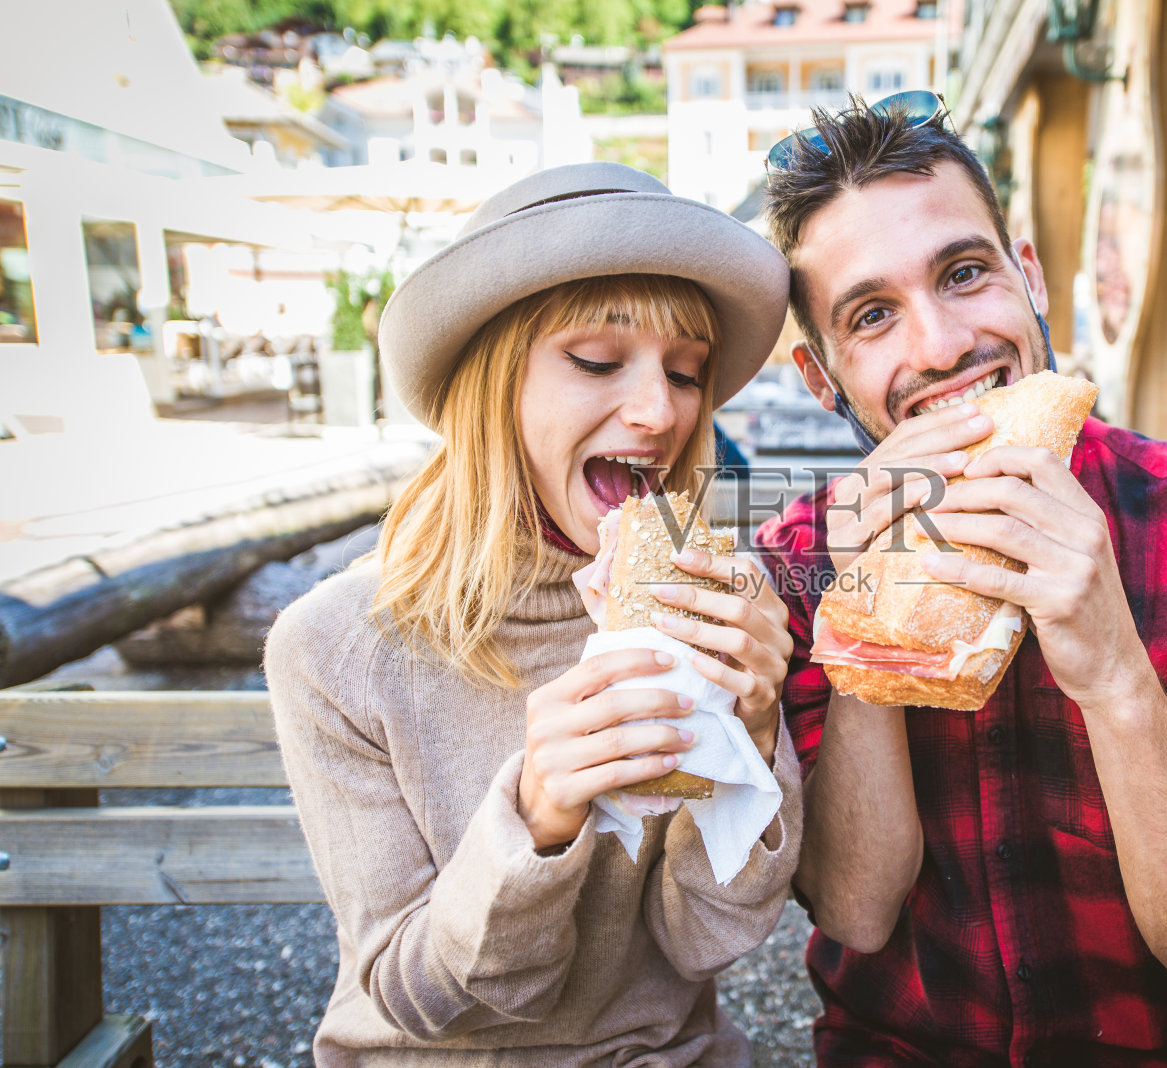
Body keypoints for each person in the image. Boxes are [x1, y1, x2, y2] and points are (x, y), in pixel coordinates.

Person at [755, 93, 1167, 1066]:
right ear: (824, 380)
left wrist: (1113, 673)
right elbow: (856, 912)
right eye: (872, 315)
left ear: (1027, 279)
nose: (940, 346)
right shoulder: (804, 554)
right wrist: (866, 615)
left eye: (965, 273)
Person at [265, 162, 802, 1066]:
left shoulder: (710, 602)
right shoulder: (336, 647)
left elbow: (706, 939)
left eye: (686, 373)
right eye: (596, 360)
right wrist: (538, 813)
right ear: (492, 385)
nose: (658, 410)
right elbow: (416, 999)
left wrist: (754, 733)